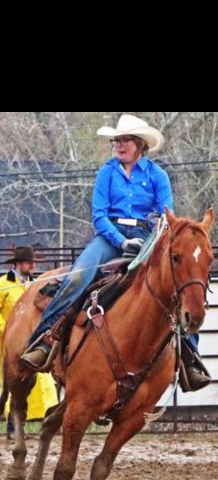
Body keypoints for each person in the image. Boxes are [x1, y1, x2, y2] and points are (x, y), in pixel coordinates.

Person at [19, 115, 210, 391]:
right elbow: (99, 215)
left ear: (139, 144)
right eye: (116, 141)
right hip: (110, 237)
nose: (119, 145)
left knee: (173, 282)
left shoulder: (158, 176)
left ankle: (190, 358)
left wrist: (152, 234)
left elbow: (167, 215)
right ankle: (44, 340)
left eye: (125, 140)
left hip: (148, 237)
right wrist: (121, 242)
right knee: (76, 278)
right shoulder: (107, 172)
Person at [0, 246, 58, 437]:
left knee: (39, 383)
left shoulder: (36, 285)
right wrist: (9, 334)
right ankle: (12, 428)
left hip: (33, 342)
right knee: (13, 381)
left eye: (33, 262)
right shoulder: (2, 284)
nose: (32, 265)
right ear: (18, 263)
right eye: (28, 262)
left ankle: (37, 424)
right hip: (9, 344)